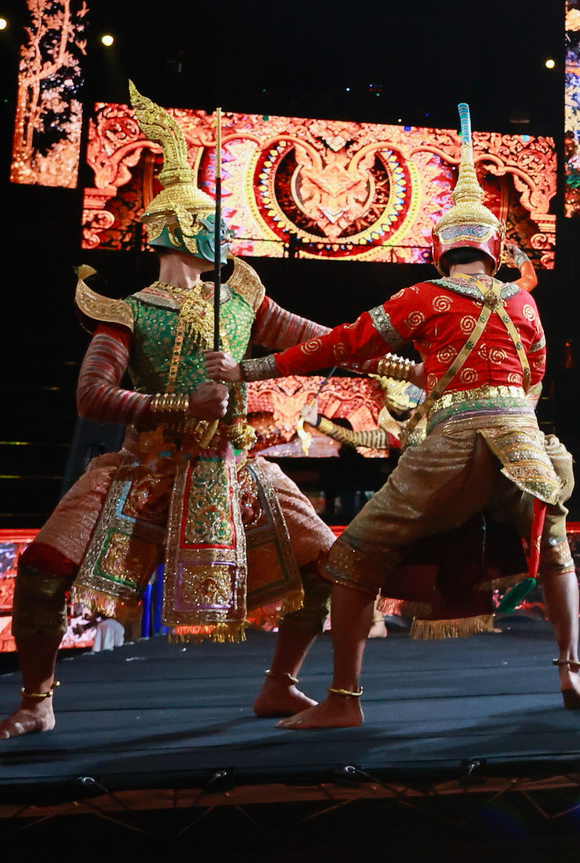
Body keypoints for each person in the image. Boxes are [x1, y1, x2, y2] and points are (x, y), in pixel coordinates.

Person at [1, 84, 402, 739]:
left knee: (329, 568)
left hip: (232, 467)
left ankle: (280, 683)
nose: (224, 232)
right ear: (180, 229)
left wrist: (396, 363)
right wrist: (182, 402)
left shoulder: (242, 298)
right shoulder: (128, 312)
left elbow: (319, 344)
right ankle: (37, 699)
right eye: (212, 222)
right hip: (145, 469)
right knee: (44, 569)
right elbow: (92, 396)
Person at [208, 104, 580, 727]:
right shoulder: (522, 302)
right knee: (555, 548)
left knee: (352, 559)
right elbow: (536, 374)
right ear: (493, 250)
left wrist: (250, 370)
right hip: (524, 444)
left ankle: (343, 700)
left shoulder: (422, 296)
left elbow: (341, 344)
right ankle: (570, 668)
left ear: (441, 249)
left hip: (451, 445)